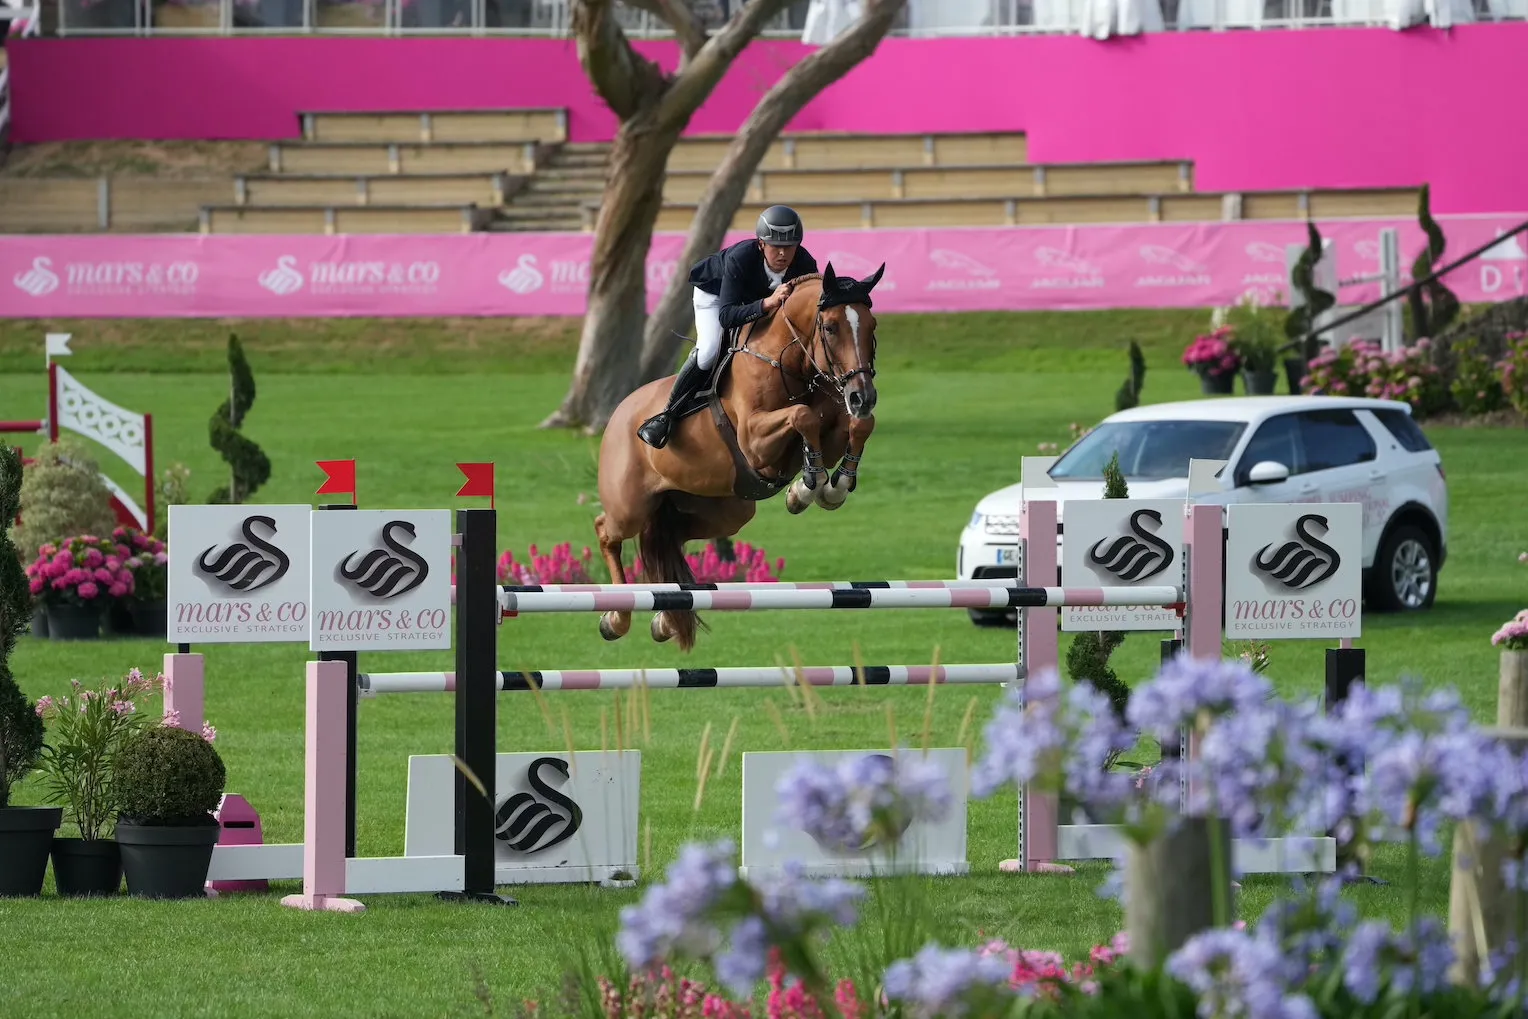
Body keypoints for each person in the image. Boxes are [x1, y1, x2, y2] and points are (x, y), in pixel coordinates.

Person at [636, 205, 820, 449]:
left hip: (756, 299)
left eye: (790, 246)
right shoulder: (741, 258)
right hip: (715, 298)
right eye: (776, 246)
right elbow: (727, 316)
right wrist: (767, 303)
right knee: (710, 350)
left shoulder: (805, 263)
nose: (783, 254)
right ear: (761, 244)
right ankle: (667, 415)